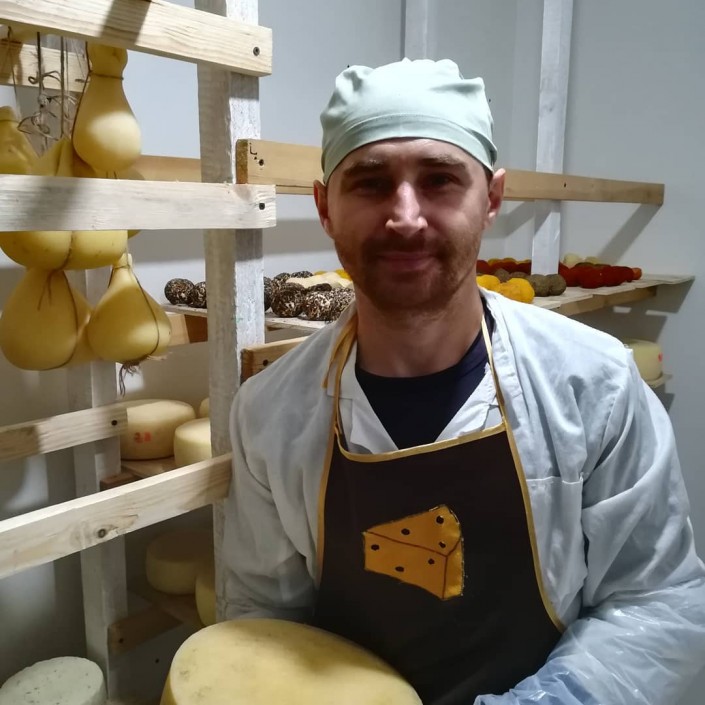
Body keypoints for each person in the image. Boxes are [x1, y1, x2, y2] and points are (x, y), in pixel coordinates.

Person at [223, 58, 705, 704]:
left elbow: (656, 601)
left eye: (440, 180)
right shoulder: (269, 415)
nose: (405, 216)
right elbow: (264, 625)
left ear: (492, 200)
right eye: (370, 182)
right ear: (324, 208)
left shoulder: (594, 386)